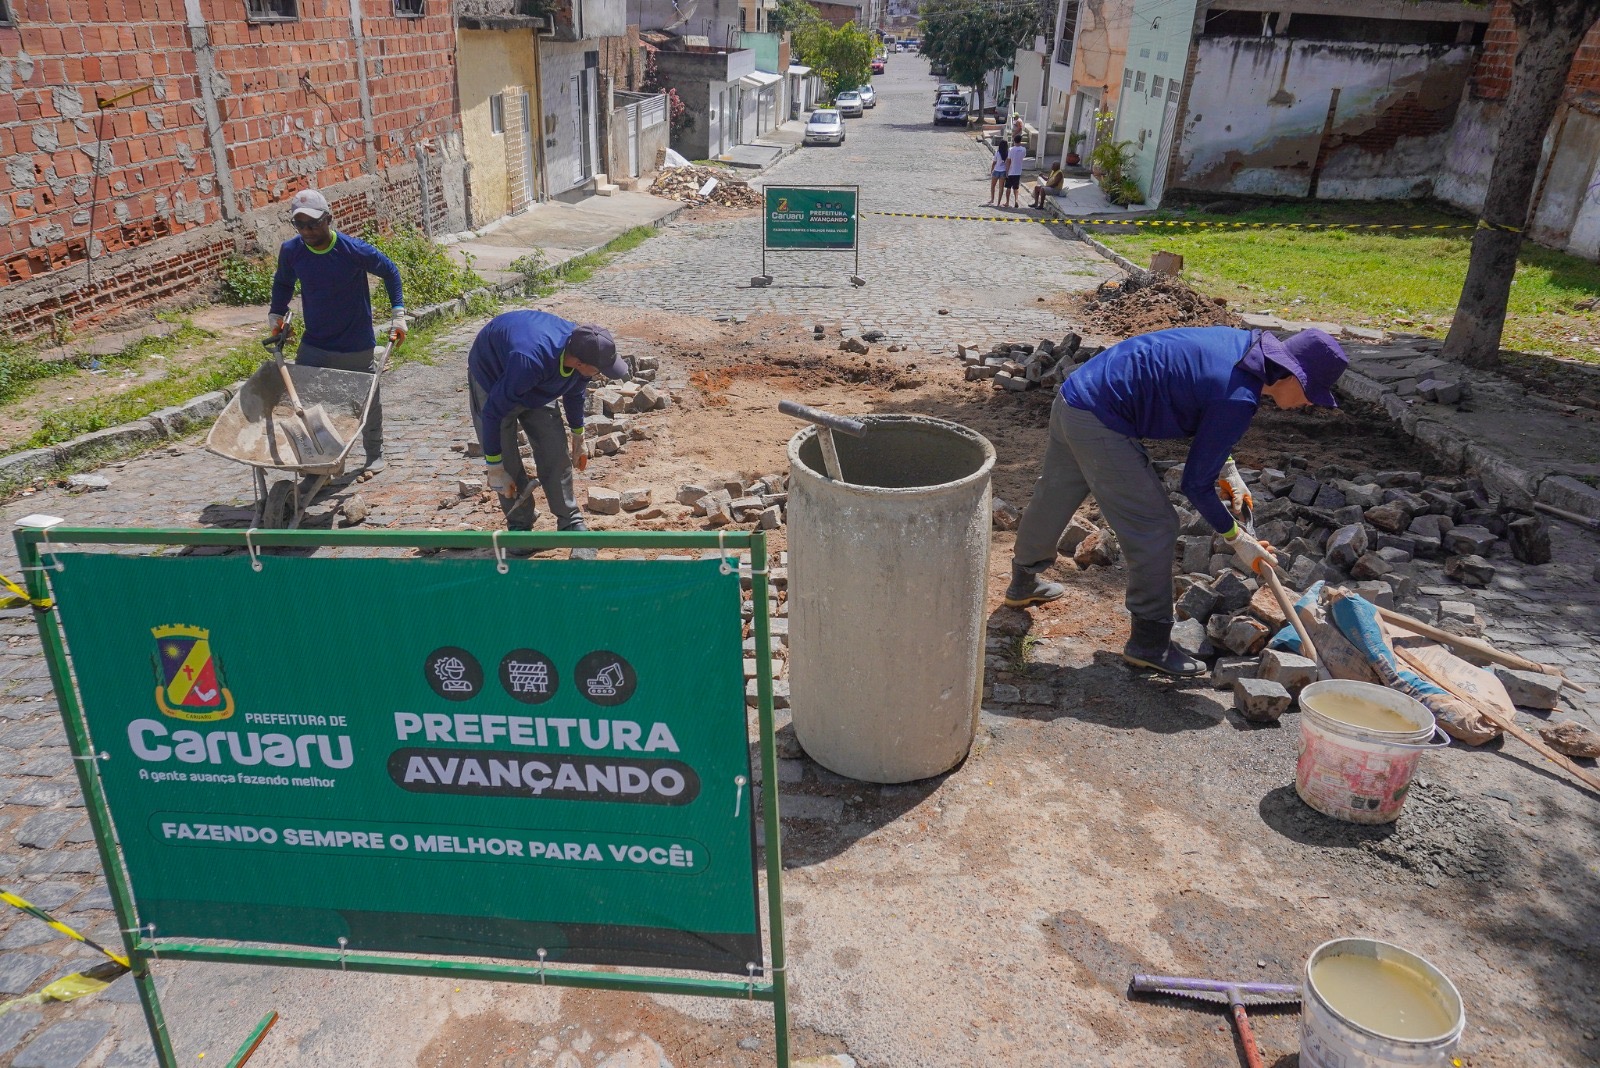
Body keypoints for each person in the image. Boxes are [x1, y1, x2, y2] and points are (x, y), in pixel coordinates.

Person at [1002, 327, 1350, 676]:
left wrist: (1227, 469)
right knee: (1156, 526)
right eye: (1310, 392)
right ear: (1290, 373)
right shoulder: (1239, 397)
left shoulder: (1246, 346)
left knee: (1056, 492)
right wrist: (1237, 538)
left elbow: (1201, 398)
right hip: (1102, 418)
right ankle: (1149, 643)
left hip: (1078, 394)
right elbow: (1195, 484)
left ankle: (1023, 580)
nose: (1311, 403)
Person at [268, 189, 406, 470]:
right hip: (315, 341)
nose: (307, 231)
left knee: (366, 400)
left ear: (328, 219)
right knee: (308, 404)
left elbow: (390, 271)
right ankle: (323, 461)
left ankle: (374, 452)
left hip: (355, 342)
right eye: (300, 225)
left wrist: (398, 315)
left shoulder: (353, 250)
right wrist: (276, 316)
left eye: (313, 224)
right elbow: (283, 283)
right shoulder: (292, 251)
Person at [467, 309, 630, 533]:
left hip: (534, 372)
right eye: (600, 370)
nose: (600, 374)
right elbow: (492, 413)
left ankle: (569, 519)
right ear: (580, 363)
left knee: (554, 449)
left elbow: (575, 392)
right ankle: (520, 524)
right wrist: (494, 466)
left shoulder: (583, 345)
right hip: (494, 375)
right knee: (507, 461)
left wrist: (577, 434)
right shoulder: (530, 361)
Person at [1004, 137, 1027, 207]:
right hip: (1018, 171)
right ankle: (1016, 200)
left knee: (1008, 187)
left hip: (1011, 171)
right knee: (1016, 187)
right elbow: (1023, 157)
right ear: (1020, 141)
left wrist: (1007, 171)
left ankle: (1007, 202)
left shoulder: (1011, 149)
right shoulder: (1023, 149)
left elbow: (1008, 161)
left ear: (1014, 141)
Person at [987, 138, 1009, 206]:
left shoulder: (997, 152)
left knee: (993, 186)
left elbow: (994, 162)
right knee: (1001, 188)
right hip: (1003, 171)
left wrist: (991, 170)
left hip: (996, 170)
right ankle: (998, 202)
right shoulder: (1007, 153)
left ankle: (992, 199)